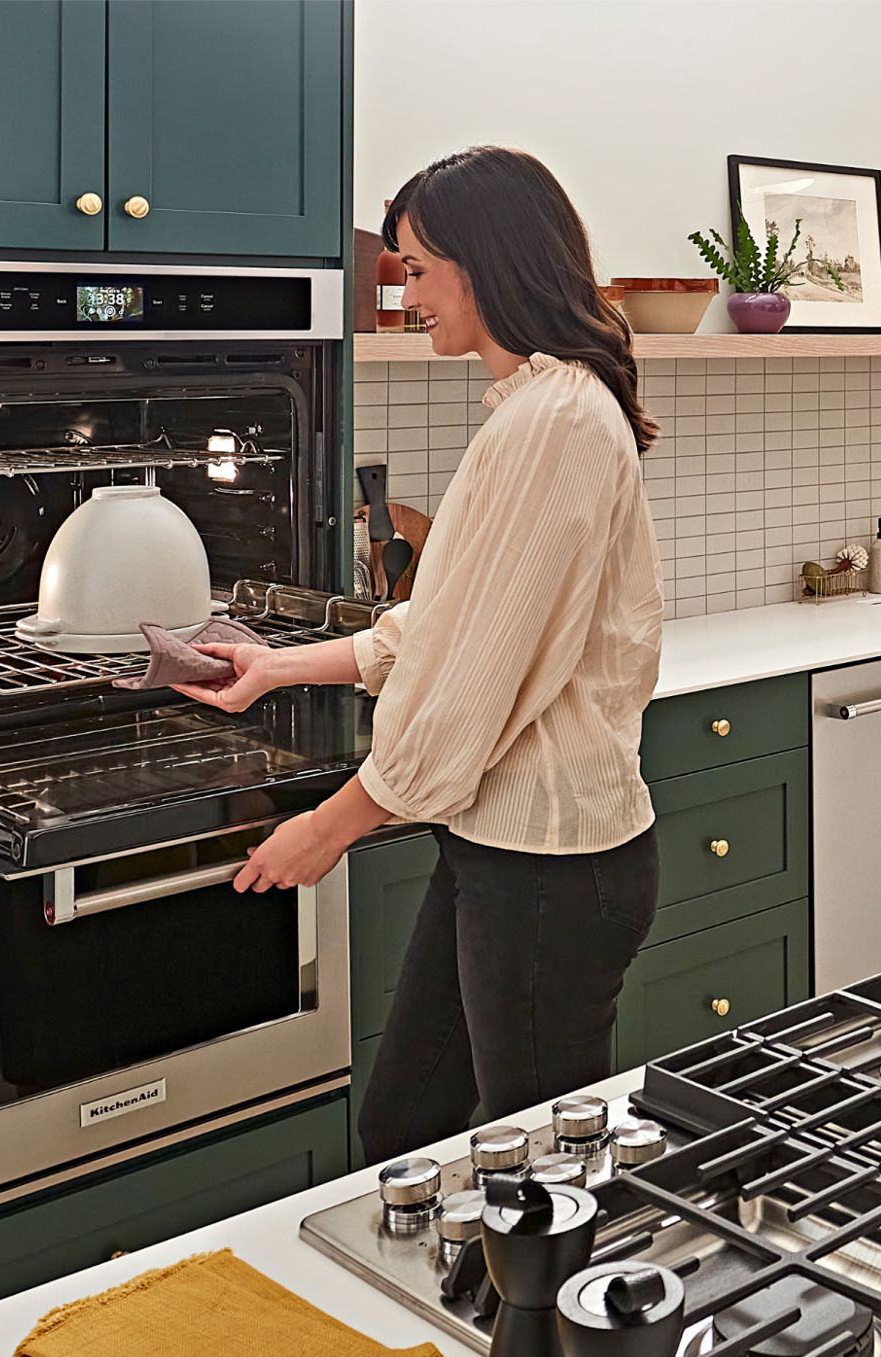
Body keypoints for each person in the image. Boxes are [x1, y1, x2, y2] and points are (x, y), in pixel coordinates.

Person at [176, 147, 665, 1161]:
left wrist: (331, 824)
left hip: (551, 864)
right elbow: (444, 623)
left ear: (486, 263)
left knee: (542, 1171)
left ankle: (539, 1323)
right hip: (501, 849)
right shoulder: (538, 412)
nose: (405, 297)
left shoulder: (553, 423)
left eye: (416, 269)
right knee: (409, 1124)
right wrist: (277, 667)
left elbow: (466, 692)